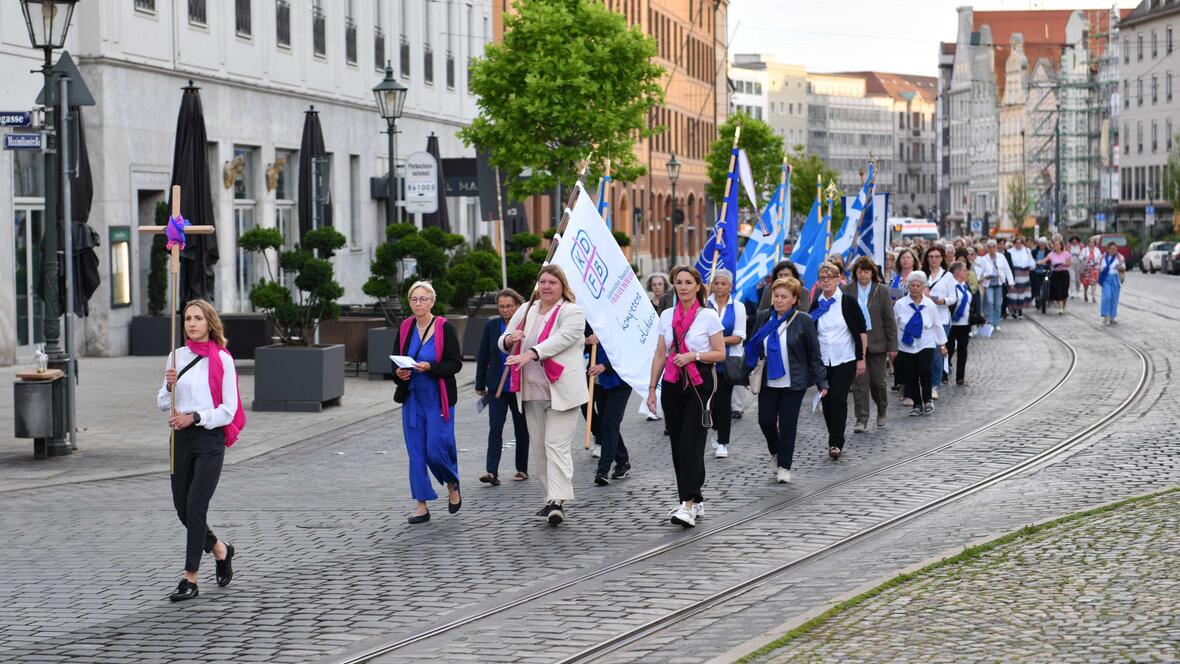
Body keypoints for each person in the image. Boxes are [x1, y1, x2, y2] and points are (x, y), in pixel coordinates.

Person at [158, 299, 244, 601]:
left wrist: (195, 417)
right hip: (179, 440)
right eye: (187, 319)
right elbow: (161, 402)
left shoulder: (222, 359)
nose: (192, 324)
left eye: (198, 318)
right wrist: (169, 388)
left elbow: (228, 410)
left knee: (196, 506)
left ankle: (190, 578)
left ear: (210, 322)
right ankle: (220, 549)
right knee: (183, 510)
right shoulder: (176, 356)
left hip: (209, 439)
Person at [501, 265, 589, 526]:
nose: (547, 286)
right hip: (531, 390)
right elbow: (503, 338)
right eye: (543, 282)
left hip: (562, 390)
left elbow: (563, 339)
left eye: (552, 282)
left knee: (555, 444)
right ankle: (550, 496)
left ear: (562, 285)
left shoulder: (572, 312)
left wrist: (531, 352)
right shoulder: (526, 309)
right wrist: (509, 339)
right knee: (539, 447)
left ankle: (558, 500)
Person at [646, 265, 726, 528]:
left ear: (697, 286)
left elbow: (720, 353)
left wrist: (694, 355)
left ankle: (688, 504)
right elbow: (660, 353)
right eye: (678, 282)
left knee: (691, 444)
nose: (682, 287)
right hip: (672, 382)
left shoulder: (708, 316)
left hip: (699, 382)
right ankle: (695, 497)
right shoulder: (666, 315)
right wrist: (651, 389)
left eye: (688, 282)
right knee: (678, 445)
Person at [746, 277, 828, 483]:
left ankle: (784, 466)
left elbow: (814, 355)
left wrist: (822, 383)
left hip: (794, 381)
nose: (779, 300)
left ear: (794, 299)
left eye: (784, 297)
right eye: (776, 296)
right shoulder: (764, 317)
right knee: (765, 421)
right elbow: (753, 346)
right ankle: (776, 451)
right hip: (768, 381)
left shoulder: (804, 321)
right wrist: (743, 374)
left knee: (788, 424)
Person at [394, 282, 463, 525]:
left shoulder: (445, 327)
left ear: (432, 302)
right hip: (412, 398)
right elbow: (395, 363)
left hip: (438, 397)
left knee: (436, 448)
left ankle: (452, 484)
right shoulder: (405, 327)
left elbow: (455, 363)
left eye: (423, 299)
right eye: (414, 299)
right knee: (416, 453)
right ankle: (421, 505)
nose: (418, 304)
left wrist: (431, 367)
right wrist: (399, 374)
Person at [810, 262, 868, 460]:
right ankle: (833, 435)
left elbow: (861, 330)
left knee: (838, 398)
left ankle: (836, 441)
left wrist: (861, 358)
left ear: (838, 279)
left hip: (845, 358)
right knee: (826, 400)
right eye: (822, 277)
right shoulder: (817, 303)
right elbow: (810, 330)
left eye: (830, 277)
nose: (826, 280)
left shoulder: (848, 302)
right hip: (823, 360)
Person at [475, 288, 530, 485]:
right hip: (496, 386)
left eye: (509, 306)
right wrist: (480, 383)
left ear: (517, 306)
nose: (505, 310)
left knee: (521, 428)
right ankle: (492, 472)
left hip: (519, 385)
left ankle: (521, 469)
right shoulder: (491, 326)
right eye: (501, 306)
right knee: (495, 427)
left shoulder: (526, 324)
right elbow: (482, 355)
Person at [844, 256, 898, 432]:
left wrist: (893, 346)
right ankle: (862, 418)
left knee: (878, 382)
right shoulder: (848, 290)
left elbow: (889, 320)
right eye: (860, 271)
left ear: (872, 272)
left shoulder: (881, 290)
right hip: (855, 343)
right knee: (859, 384)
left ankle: (882, 409)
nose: (863, 275)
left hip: (878, 342)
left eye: (866, 271)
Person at [893, 272, 948, 416]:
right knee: (910, 374)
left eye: (918, 285)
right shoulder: (900, 304)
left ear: (923, 287)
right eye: (912, 285)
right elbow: (894, 325)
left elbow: (937, 324)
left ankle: (928, 399)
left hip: (926, 341)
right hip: (906, 344)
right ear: (908, 286)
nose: (915, 288)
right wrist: (893, 345)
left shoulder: (929, 304)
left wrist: (942, 344)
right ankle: (917, 404)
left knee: (924, 370)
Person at [584, 327, 632, 484]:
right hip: (597, 382)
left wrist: (605, 366)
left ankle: (602, 470)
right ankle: (622, 460)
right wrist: (585, 342)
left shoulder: (616, 319)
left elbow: (626, 349)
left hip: (619, 381)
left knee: (610, 422)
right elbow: (573, 342)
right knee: (605, 424)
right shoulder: (587, 320)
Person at [707, 269, 746, 459]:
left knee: (723, 402)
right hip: (706, 360)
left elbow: (739, 336)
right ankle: (714, 428)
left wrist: (716, 340)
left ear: (730, 286)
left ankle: (723, 441)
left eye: (724, 284)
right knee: (710, 401)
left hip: (727, 361)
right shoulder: (705, 306)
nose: (720, 287)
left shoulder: (738, 307)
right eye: (717, 283)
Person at [923, 245, 955, 398]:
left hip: (942, 318)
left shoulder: (947, 276)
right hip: (924, 318)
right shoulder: (922, 274)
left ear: (942, 258)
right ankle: (925, 382)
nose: (934, 259)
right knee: (926, 352)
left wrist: (943, 301)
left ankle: (934, 384)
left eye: (937, 256)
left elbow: (953, 298)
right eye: (931, 256)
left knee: (937, 351)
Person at [974, 239, 1013, 329]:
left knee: (998, 303)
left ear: (996, 247)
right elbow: (980, 271)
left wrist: (1011, 281)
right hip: (988, 284)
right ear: (987, 248)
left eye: (994, 247)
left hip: (999, 283)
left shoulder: (1001, 257)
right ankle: (990, 321)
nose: (992, 249)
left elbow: (1007, 269)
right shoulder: (984, 259)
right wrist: (985, 276)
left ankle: (996, 322)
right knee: (990, 302)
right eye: (990, 247)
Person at [945, 262, 973, 386]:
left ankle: (960, 377)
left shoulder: (965, 286)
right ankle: (943, 374)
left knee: (963, 351)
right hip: (952, 323)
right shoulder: (950, 286)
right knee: (949, 349)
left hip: (964, 324)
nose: (966, 272)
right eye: (964, 270)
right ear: (957, 272)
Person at [1039, 237, 1072, 315]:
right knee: (1058, 290)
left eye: (1058, 244)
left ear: (1061, 246)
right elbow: (1044, 260)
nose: (1056, 246)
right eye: (1055, 244)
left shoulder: (1066, 253)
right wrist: (1039, 263)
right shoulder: (1051, 254)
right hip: (1056, 274)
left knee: (1064, 291)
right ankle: (1060, 308)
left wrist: (1064, 264)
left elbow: (1070, 263)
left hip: (1064, 273)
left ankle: (1064, 306)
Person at [1006, 236, 1035, 319]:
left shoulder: (1027, 250)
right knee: (1014, 293)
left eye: (1020, 243)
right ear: (1014, 244)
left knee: (1022, 293)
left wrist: (1031, 265)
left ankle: (1020, 311)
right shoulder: (1010, 251)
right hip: (1015, 274)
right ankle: (1014, 310)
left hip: (1024, 274)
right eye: (1017, 243)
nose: (1018, 245)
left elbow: (1031, 260)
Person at [1097, 242, 1126, 324]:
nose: (1114, 251)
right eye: (1112, 249)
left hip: (1115, 278)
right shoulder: (1102, 257)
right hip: (1106, 278)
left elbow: (1124, 268)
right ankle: (1105, 314)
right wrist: (1099, 269)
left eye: (1115, 249)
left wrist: (1120, 267)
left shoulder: (1119, 257)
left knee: (1114, 297)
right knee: (1106, 296)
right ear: (1108, 249)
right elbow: (1098, 266)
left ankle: (1112, 317)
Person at [1030, 237, 1051, 313]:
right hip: (1036, 272)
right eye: (1040, 244)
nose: (1042, 245)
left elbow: (1050, 261)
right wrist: (1035, 263)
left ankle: (1046, 297)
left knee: (1046, 282)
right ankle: (1037, 299)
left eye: (1043, 244)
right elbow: (1031, 260)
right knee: (1037, 286)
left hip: (1045, 271)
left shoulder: (1049, 252)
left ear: (1045, 244)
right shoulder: (1034, 251)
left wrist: (1046, 264)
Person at [1081, 237, 1102, 303]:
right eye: (1090, 242)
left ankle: (1093, 296)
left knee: (1094, 283)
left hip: (1094, 269)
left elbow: (1100, 258)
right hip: (1086, 269)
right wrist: (1084, 258)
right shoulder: (1084, 250)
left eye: (1092, 243)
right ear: (1088, 243)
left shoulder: (1097, 250)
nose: (1091, 244)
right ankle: (1085, 293)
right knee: (1086, 283)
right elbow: (1080, 258)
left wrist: (1097, 264)